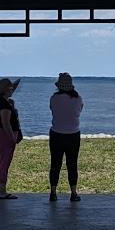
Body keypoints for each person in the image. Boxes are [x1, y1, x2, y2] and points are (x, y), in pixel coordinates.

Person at [48, 72, 84, 202]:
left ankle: (53, 192)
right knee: (72, 164)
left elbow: (52, 110)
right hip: (73, 134)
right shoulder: (78, 98)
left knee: (55, 164)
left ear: (59, 86)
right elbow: (79, 111)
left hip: (56, 133)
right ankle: (73, 193)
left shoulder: (54, 98)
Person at [0, 77, 22, 199]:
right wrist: (11, 138)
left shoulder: (2, 101)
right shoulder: (3, 104)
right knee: (4, 163)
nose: (12, 90)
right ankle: (2, 191)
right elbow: (6, 122)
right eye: (10, 88)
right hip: (5, 135)